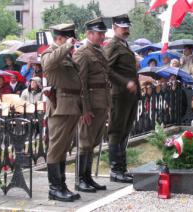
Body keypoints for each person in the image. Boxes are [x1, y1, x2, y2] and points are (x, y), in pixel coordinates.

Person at [41, 23, 81, 202]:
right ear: (60, 38)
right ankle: (54, 188)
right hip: (60, 107)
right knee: (56, 147)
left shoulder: (66, 56)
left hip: (72, 105)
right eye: (69, 39)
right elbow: (48, 64)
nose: (72, 43)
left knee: (64, 147)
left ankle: (62, 185)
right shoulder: (49, 53)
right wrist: (66, 46)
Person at [73, 17, 109, 192]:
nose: (102, 37)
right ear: (89, 34)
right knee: (85, 141)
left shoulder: (98, 51)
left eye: (103, 34)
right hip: (90, 105)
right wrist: (84, 109)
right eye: (99, 34)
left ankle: (87, 177)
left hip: (101, 103)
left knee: (93, 141)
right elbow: (81, 84)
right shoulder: (82, 53)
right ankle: (80, 179)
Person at [104, 14, 139, 183]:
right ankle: (116, 170)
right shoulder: (112, 45)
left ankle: (122, 169)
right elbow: (106, 69)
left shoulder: (124, 44)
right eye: (122, 27)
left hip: (129, 95)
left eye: (127, 27)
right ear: (114, 28)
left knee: (125, 130)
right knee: (116, 131)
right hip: (119, 94)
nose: (126, 30)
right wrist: (125, 83)